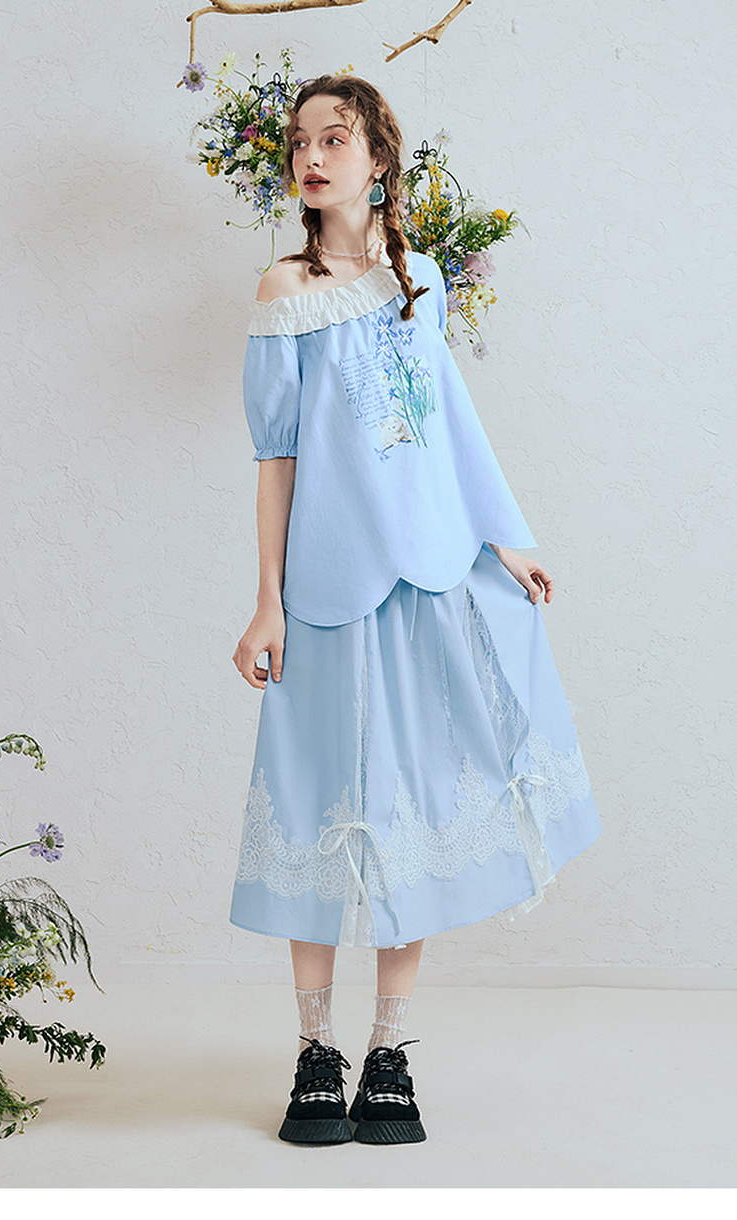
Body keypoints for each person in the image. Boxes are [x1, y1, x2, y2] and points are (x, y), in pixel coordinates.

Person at [230, 73, 602, 1147]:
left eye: (334, 138)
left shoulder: (419, 279)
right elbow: (275, 457)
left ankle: (389, 1048)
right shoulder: (283, 290)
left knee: (417, 804)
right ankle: (315, 1052)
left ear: (378, 159)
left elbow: (449, 422)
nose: (311, 157)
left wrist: (504, 535)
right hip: (327, 589)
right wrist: (267, 602)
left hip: (428, 574)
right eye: (299, 142)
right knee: (316, 802)